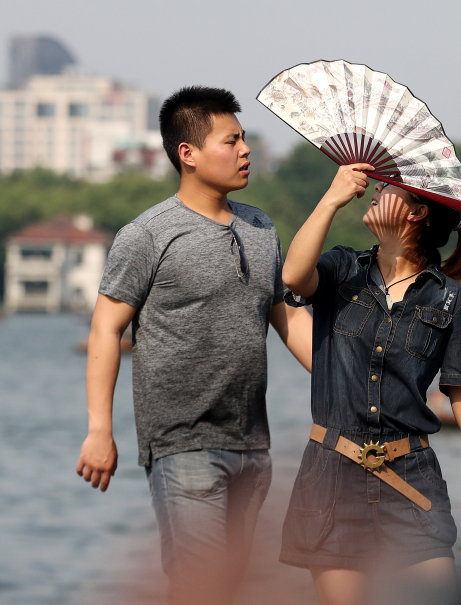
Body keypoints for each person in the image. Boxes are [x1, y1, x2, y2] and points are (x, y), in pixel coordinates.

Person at [75, 86, 312, 605]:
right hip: (183, 443)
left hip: (253, 444)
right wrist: (99, 431)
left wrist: (346, 378)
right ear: (189, 153)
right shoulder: (148, 235)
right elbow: (105, 330)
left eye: (245, 139)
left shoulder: (261, 227)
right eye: (232, 140)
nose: (246, 149)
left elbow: (288, 316)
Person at [281, 164, 461, 603]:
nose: (376, 189)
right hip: (332, 476)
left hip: (411, 478)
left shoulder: (448, 297)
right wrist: (331, 198)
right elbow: (293, 277)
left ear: (418, 212)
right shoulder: (342, 267)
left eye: (390, 188)